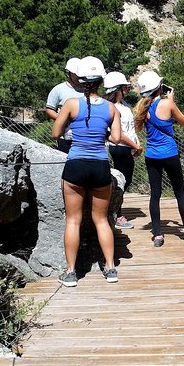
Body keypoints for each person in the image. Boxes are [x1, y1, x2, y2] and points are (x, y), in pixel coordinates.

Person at [52, 56, 121, 287]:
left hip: (76, 165)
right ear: (101, 81)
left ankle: (71, 273)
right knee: (101, 220)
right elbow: (117, 138)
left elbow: (55, 132)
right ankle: (111, 269)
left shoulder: (71, 104)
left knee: (73, 220)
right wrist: (101, 132)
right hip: (100, 166)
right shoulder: (111, 108)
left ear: (80, 81)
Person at [134, 70, 184, 247]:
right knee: (179, 191)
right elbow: (183, 121)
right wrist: (172, 101)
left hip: (151, 155)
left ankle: (158, 236)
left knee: (155, 194)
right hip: (169, 153)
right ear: (158, 87)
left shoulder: (142, 108)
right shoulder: (167, 103)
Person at [104, 71, 142, 230]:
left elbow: (130, 129)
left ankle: (113, 210)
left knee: (127, 180)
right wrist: (134, 146)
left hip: (128, 147)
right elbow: (117, 134)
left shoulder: (124, 105)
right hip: (118, 147)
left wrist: (137, 143)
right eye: (124, 87)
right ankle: (116, 214)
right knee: (121, 182)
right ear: (116, 89)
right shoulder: (111, 107)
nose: (127, 89)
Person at [46, 58, 84, 153]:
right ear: (69, 73)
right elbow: (49, 109)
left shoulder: (87, 90)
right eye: (75, 74)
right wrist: (62, 119)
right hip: (65, 137)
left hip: (84, 136)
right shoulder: (58, 90)